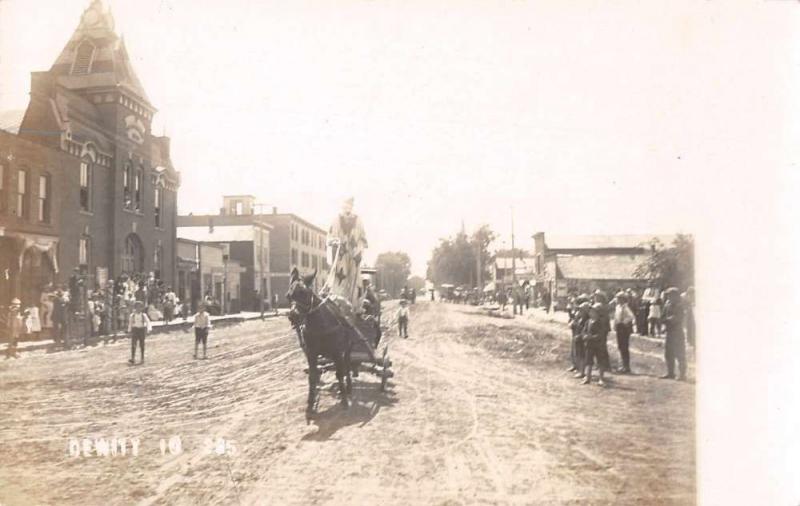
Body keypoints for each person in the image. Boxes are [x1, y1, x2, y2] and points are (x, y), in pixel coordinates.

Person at [324, 197, 368, 310]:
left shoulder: (358, 221)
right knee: (339, 279)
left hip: (353, 255)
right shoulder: (336, 220)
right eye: (345, 205)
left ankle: (354, 306)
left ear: (352, 207)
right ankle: (339, 304)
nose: (347, 208)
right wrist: (335, 242)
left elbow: (363, 239)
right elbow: (329, 237)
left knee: (354, 278)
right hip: (341, 255)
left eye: (349, 205)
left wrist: (359, 250)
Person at [661, 287, 687, 380]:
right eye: (668, 295)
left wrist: (668, 320)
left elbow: (677, 318)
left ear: (676, 296)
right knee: (668, 353)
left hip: (677, 332)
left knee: (680, 353)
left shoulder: (679, 306)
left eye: (671, 295)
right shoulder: (667, 305)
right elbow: (663, 316)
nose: (669, 297)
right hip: (669, 331)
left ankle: (682, 374)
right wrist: (666, 321)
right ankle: (670, 373)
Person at [582, 303, 609, 386]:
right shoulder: (588, 321)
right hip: (589, 345)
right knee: (588, 361)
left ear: (598, 313)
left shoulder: (600, 322)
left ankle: (601, 379)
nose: (591, 313)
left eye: (593, 311)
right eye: (590, 311)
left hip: (598, 345)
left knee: (600, 361)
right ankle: (588, 377)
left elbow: (601, 334)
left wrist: (592, 337)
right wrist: (584, 336)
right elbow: (584, 331)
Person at [613, 291, 636, 374]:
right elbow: (616, 317)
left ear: (623, 299)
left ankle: (626, 366)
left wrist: (623, 322)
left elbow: (631, 317)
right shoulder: (618, 307)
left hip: (623, 328)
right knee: (620, 346)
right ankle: (622, 365)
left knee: (624, 347)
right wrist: (615, 325)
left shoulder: (625, 307)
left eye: (619, 298)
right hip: (619, 327)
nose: (617, 300)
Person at [568, 300, 591, 376]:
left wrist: (580, 336)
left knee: (582, 355)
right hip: (578, 338)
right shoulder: (580, 318)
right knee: (578, 354)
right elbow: (574, 325)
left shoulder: (587, 320)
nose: (580, 312)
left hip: (582, 339)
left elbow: (586, 330)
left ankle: (582, 372)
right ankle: (579, 369)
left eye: (581, 310)